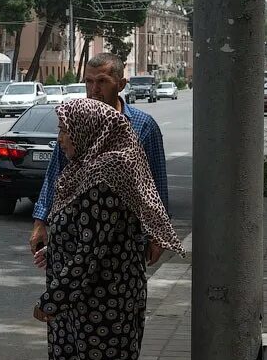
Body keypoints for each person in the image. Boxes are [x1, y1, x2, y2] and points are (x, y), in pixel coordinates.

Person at [33, 98, 183, 360]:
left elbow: (94, 251)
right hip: (78, 304)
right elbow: (77, 233)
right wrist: (54, 249)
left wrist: (53, 296)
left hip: (106, 304)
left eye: (65, 131)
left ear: (87, 132)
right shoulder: (84, 168)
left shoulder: (109, 171)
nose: (60, 139)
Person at [30, 53, 169, 266]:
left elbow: (156, 184)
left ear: (121, 84)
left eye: (102, 81)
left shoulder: (143, 126)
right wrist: (40, 222)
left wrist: (157, 235)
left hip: (123, 244)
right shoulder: (74, 122)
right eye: (89, 81)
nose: (94, 89)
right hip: (75, 239)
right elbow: (54, 175)